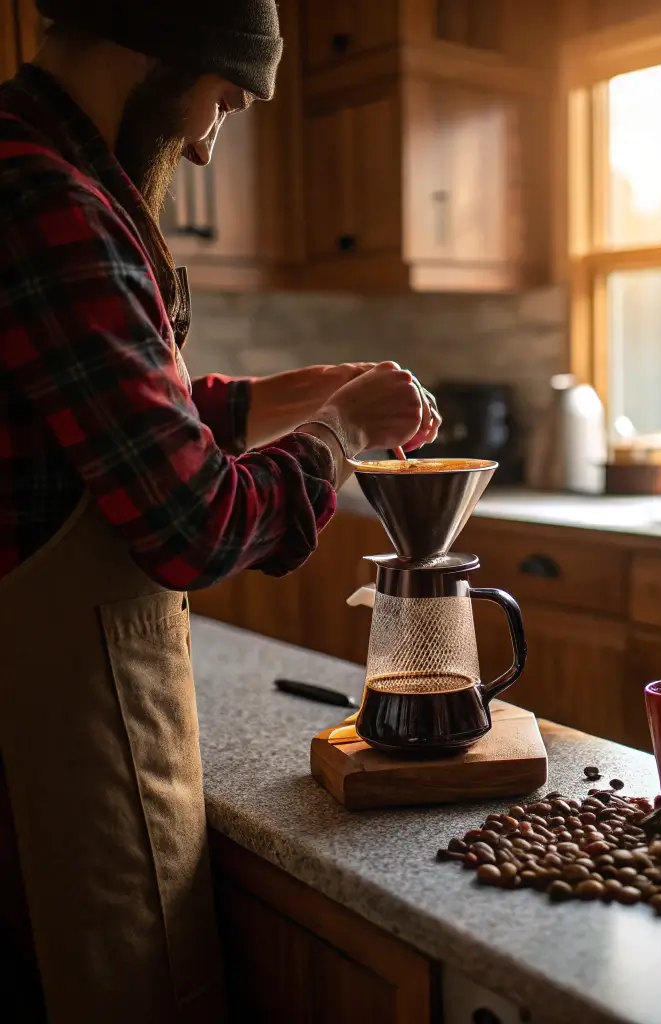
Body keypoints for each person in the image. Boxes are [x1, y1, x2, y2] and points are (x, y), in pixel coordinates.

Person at [0, 2, 440, 1021]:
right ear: (161, 47)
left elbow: (126, 421)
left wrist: (310, 391)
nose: (205, 143)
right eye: (225, 102)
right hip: (62, 734)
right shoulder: (46, 197)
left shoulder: (28, 161)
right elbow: (190, 518)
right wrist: (340, 440)